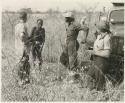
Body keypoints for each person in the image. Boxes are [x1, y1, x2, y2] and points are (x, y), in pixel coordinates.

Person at [60, 12, 89, 80]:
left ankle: (74, 78)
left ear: (69, 18)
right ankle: (76, 72)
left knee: (71, 62)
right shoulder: (69, 25)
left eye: (66, 18)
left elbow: (86, 28)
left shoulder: (75, 25)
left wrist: (84, 39)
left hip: (72, 44)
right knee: (62, 59)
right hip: (68, 44)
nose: (65, 19)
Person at [87, 20, 112, 91]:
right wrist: (90, 48)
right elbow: (96, 46)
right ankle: (93, 92)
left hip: (102, 62)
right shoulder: (99, 36)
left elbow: (107, 54)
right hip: (96, 60)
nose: (96, 28)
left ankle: (101, 94)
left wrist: (94, 52)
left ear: (100, 29)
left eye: (97, 27)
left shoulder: (107, 38)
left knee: (99, 79)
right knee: (89, 76)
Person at [15, 11, 31, 86]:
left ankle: (20, 80)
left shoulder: (16, 26)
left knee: (20, 64)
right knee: (24, 65)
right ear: (25, 17)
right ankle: (24, 81)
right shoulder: (22, 26)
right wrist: (27, 41)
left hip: (18, 48)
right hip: (23, 49)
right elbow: (22, 36)